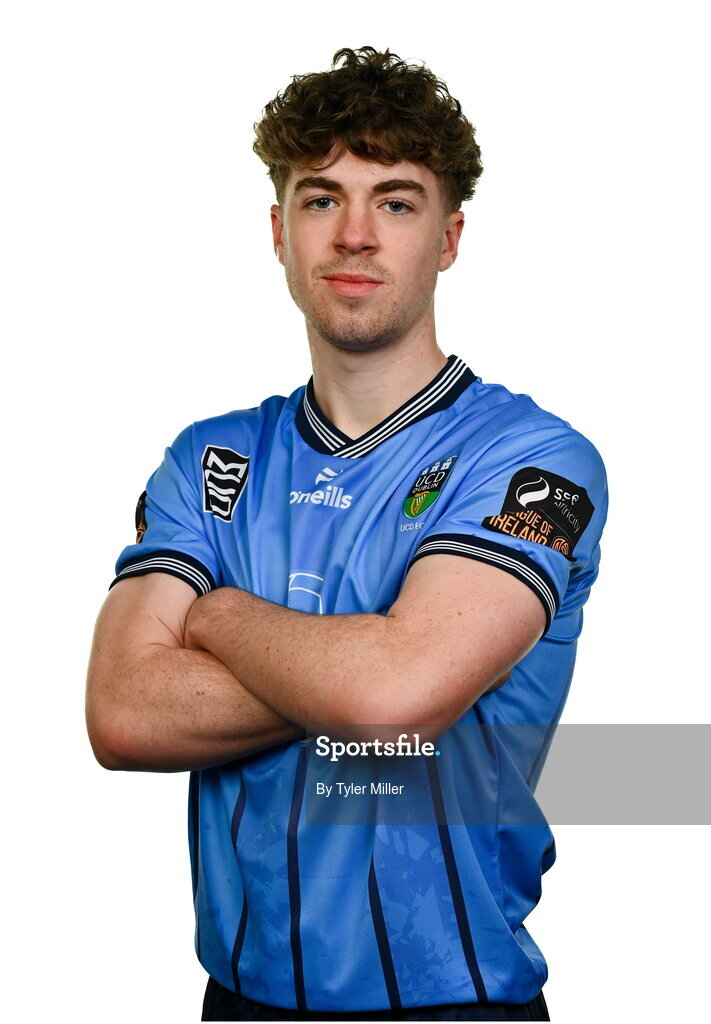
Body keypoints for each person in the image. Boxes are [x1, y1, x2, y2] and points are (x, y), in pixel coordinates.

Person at [86, 46, 607, 1021]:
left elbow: (390, 693)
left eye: (397, 201)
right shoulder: (210, 461)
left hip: (458, 1002)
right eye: (322, 198)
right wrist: (377, 655)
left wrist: (222, 612)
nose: (357, 233)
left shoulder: (537, 460)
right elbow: (122, 709)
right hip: (238, 998)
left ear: (449, 237)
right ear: (279, 231)